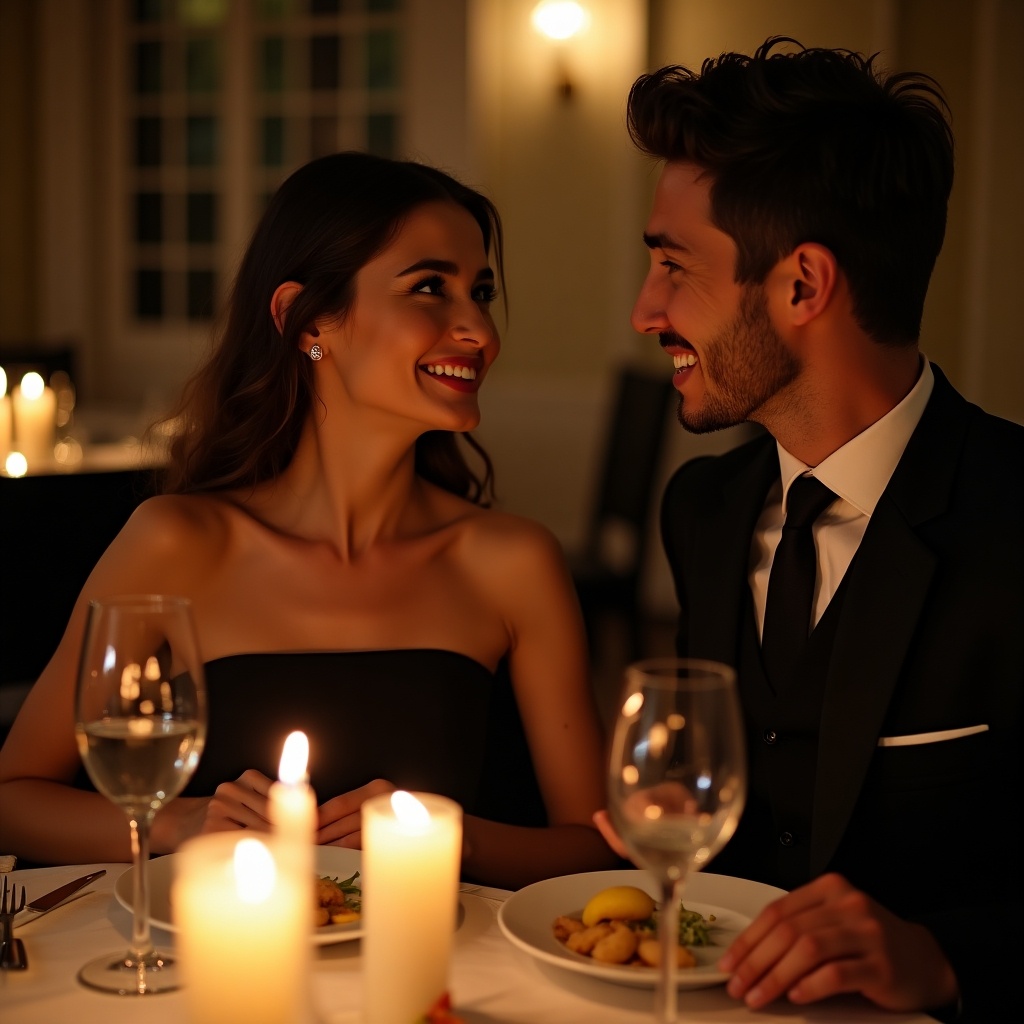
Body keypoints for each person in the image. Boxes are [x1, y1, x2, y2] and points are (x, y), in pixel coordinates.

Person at [0, 151, 619, 890]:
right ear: (304, 319)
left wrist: (444, 839)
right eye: (430, 287)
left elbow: (599, 848)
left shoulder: (511, 562)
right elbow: (12, 799)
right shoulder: (176, 544)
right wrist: (176, 822)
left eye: (480, 291)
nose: (479, 329)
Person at [606, 35, 1022, 1022]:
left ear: (801, 285)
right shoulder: (700, 512)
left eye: (672, 266)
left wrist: (939, 955)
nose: (644, 310)